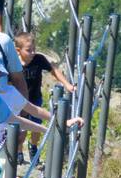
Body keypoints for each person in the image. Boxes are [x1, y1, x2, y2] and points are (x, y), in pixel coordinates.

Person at [15, 32, 76, 161]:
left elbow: (53, 70)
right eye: (28, 50)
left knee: (36, 125)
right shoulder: (14, 63)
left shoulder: (39, 59)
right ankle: (19, 151)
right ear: (18, 50)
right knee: (22, 127)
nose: (32, 53)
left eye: (34, 49)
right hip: (20, 101)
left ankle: (33, 146)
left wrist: (66, 84)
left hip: (35, 98)